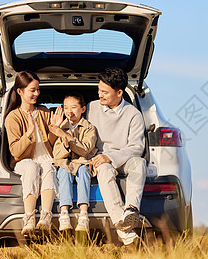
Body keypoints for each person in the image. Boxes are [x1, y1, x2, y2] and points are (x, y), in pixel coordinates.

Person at [86, 67, 146, 245]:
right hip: (99, 159)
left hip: (123, 159)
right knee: (103, 169)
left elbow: (136, 147)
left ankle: (130, 210)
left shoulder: (133, 114)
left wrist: (111, 157)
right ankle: (126, 233)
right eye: (99, 90)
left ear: (119, 92)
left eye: (104, 92)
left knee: (140, 163)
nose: (100, 95)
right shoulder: (91, 108)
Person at [4, 70, 63, 235]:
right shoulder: (13, 117)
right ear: (20, 92)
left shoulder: (44, 112)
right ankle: (29, 217)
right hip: (23, 161)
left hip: (46, 158)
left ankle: (45, 216)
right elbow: (15, 150)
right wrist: (29, 133)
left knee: (48, 167)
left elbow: (51, 145)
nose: (37, 93)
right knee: (31, 166)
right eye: (32, 90)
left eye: (38, 89)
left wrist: (55, 129)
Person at [51, 93, 97, 232]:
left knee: (84, 171)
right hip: (66, 163)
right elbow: (56, 154)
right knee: (64, 172)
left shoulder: (89, 128)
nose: (69, 111)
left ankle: (84, 214)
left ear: (83, 109)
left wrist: (66, 137)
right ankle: (64, 213)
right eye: (66, 108)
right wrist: (65, 144)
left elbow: (85, 150)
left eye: (73, 107)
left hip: (83, 162)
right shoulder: (60, 127)